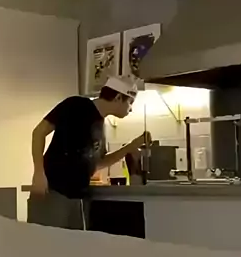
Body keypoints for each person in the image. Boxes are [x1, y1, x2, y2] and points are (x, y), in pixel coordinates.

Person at [28, 76, 151, 229]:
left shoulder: (101, 125)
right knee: (46, 242)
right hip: (52, 192)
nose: (131, 109)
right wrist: (39, 173)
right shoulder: (75, 105)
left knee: (74, 244)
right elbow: (38, 132)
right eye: (130, 102)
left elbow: (99, 163)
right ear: (118, 97)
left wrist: (130, 147)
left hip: (77, 198)